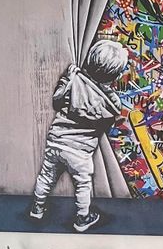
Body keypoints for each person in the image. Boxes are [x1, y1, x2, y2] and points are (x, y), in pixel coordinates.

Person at [29, 39, 128, 232]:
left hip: (57, 141)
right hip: (81, 152)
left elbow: (57, 102)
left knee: (46, 176)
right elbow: (105, 124)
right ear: (115, 75)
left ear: (90, 61)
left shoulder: (75, 80)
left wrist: (67, 79)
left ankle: (37, 208)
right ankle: (82, 218)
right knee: (83, 185)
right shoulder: (113, 102)